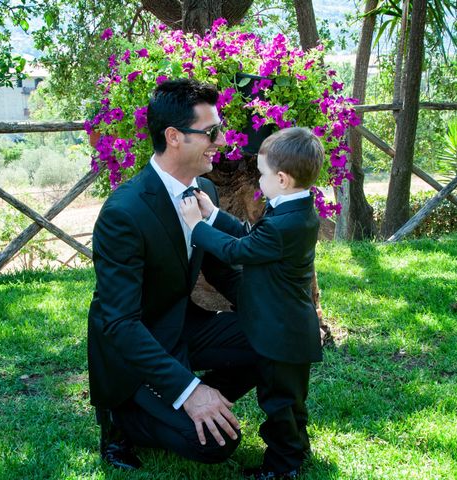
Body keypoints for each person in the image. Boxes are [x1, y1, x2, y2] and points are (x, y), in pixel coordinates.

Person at [87, 78, 260, 470]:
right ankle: (125, 418)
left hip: (182, 325)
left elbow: (222, 271)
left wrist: (271, 311)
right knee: (217, 446)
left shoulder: (206, 193)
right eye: (211, 132)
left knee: (272, 335)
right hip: (134, 345)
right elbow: (119, 324)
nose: (221, 140)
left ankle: (201, 401)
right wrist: (189, 389)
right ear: (174, 137)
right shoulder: (123, 213)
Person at [180, 127, 324, 479]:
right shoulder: (295, 209)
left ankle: (282, 467)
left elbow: (237, 250)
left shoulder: (284, 224)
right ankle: (296, 449)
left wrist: (197, 226)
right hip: (291, 330)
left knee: (278, 402)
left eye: (261, 174)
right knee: (291, 401)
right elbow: (250, 236)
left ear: (282, 178)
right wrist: (214, 214)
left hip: (279, 335)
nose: (258, 180)